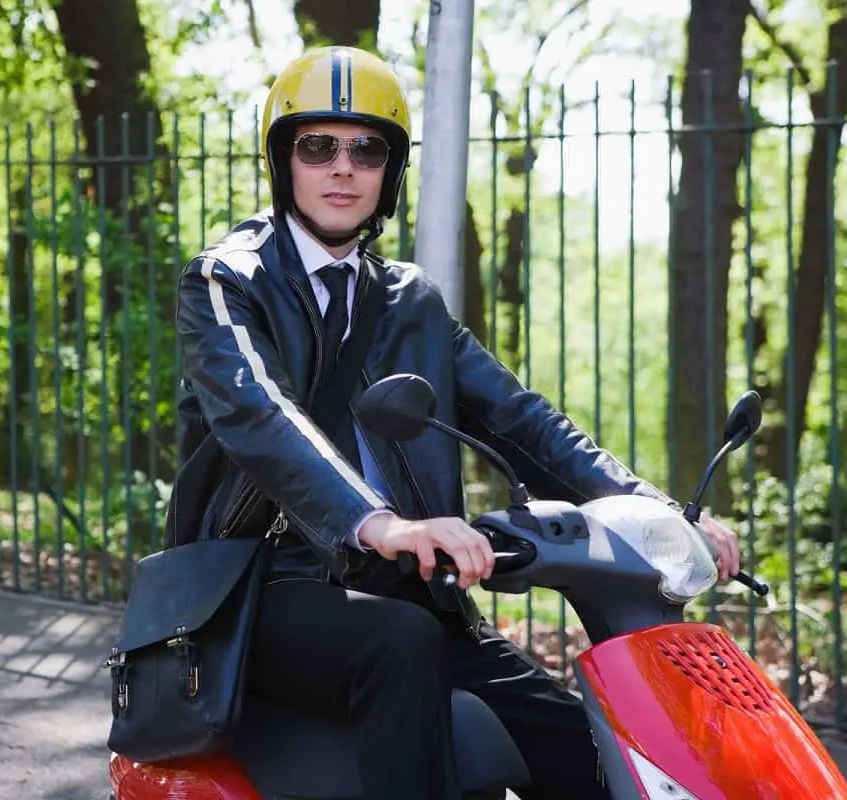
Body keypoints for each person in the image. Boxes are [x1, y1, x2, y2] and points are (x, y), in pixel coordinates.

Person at [167, 45, 741, 800]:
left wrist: (658, 510)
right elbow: (261, 417)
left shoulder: (411, 301)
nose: (342, 167)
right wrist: (380, 523)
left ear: (390, 172)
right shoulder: (227, 280)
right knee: (398, 643)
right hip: (264, 589)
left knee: (585, 751)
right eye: (318, 146)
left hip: (413, 588)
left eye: (367, 150)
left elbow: (522, 418)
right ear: (286, 162)